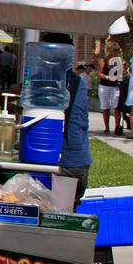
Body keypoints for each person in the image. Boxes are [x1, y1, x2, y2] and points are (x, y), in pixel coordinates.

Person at [44, 33, 91, 203]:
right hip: (77, 159)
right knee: (65, 211)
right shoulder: (76, 81)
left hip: (64, 161)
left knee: (54, 211)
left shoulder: (52, 80)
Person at [97, 41, 125, 135]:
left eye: (118, 50)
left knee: (116, 107)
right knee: (105, 107)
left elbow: (123, 72)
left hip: (115, 86)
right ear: (109, 51)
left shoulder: (119, 61)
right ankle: (107, 127)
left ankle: (117, 127)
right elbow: (99, 73)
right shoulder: (103, 61)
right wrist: (107, 77)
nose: (117, 52)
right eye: (115, 50)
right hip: (105, 86)